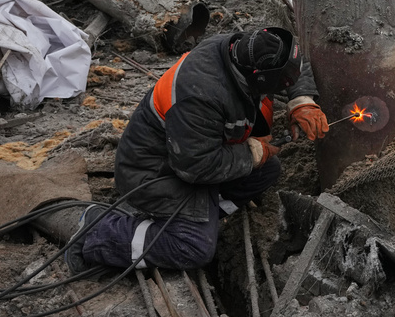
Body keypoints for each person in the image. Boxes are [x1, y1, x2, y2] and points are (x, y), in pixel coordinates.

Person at [66, 27, 328, 273]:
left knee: (267, 171)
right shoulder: (200, 95)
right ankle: (98, 232)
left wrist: (301, 102)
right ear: (258, 78)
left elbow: (292, 62)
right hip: (155, 171)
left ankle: (202, 218)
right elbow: (195, 166)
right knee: (194, 248)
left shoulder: (249, 49)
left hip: (191, 154)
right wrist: (253, 153)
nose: (283, 88)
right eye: (281, 85)